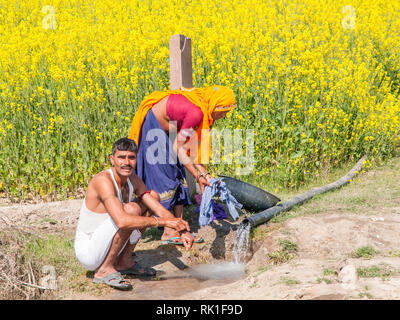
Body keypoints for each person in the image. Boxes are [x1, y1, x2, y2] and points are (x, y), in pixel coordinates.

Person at [74, 138, 192, 290]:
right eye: (121, 157)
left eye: (131, 157)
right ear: (112, 160)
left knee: (153, 196)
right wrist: (161, 223)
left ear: (137, 159)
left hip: (107, 242)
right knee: (131, 211)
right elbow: (122, 221)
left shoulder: (133, 179)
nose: (126, 162)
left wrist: (181, 229)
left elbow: (158, 208)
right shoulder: (103, 180)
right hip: (89, 250)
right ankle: (104, 270)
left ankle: (124, 261)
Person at [128, 85, 237, 245]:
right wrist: (197, 175)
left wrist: (204, 174)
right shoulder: (196, 113)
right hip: (153, 127)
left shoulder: (203, 109)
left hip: (171, 129)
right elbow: (179, 148)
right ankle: (168, 231)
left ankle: (179, 226)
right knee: (165, 177)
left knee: (178, 173)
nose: (224, 116)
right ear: (215, 105)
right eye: (224, 111)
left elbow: (190, 148)